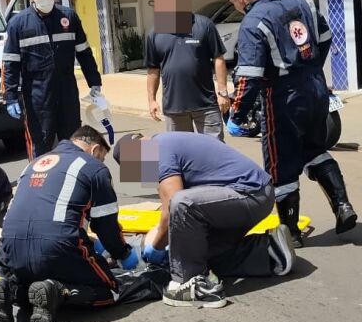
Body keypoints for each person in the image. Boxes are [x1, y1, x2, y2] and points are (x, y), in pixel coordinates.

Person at [223, 0, 359, 248]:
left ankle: (291, 233)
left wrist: (236, 115)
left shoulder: (253, 21)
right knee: (314, 149)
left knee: (280, 165)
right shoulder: (302, 2)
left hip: (282, 97)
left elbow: (249, 76)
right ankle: (343, 205)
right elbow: (324, 39)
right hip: (316, 88)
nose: (237, 8)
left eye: (234, 3)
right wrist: (309, 71)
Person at [0, 125, 140, 322]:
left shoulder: (34, 163)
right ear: (94, 150)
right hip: (57, 246)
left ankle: (8, 289)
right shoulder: (94, 167)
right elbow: (106, 227)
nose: (101, 162)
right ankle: (59, 291)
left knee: (31, 279)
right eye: (102, 157)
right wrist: (123, 254)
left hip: (9, 248)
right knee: (111, 290)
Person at [113, 132, 296, 308]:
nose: (142, 174)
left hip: (250, 194)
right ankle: (269, 250)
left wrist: (156, 248)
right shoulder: (164, 144)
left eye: (136, 168)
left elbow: (171, 209)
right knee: (194, 253)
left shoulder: (159, 149)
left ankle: (192, 284)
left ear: (135, 155)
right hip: (246, 196)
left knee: (182, 204)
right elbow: (167, 216)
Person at [2, 0, 104, 161]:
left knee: (74, 142)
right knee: (41, 145)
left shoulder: (68, 17)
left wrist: (94, 82)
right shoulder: (18, 24)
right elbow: (10, 63)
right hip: (37, 96)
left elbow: (84, 53)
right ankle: (39, 184)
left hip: (66, 91)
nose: (46, 1)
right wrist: (10, 96)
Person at [145, 0, 231, 140]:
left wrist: (223, 92)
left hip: (206, 105)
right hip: (174, 108)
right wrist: (151, 100)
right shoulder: (154, 33)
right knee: (181, 154)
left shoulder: (203, 25)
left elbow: (218, 58)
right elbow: (153, 70)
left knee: (214, 152)